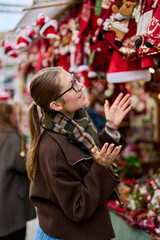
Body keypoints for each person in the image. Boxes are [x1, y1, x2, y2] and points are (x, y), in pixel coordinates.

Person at [26, 66, 132, 240]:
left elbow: (92, 156)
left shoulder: (75, 124)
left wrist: (111, 127)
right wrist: (101, 167)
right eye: (72, 85)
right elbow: (78, 207)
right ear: (56, 105)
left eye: (75, 79)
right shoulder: (52, 150)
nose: (81, 85)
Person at [0, 101, 36, 240]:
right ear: (7, 117)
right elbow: (26, 165)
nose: (17, 118)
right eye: (14, 115)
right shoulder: (11, 139)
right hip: (11, 206)